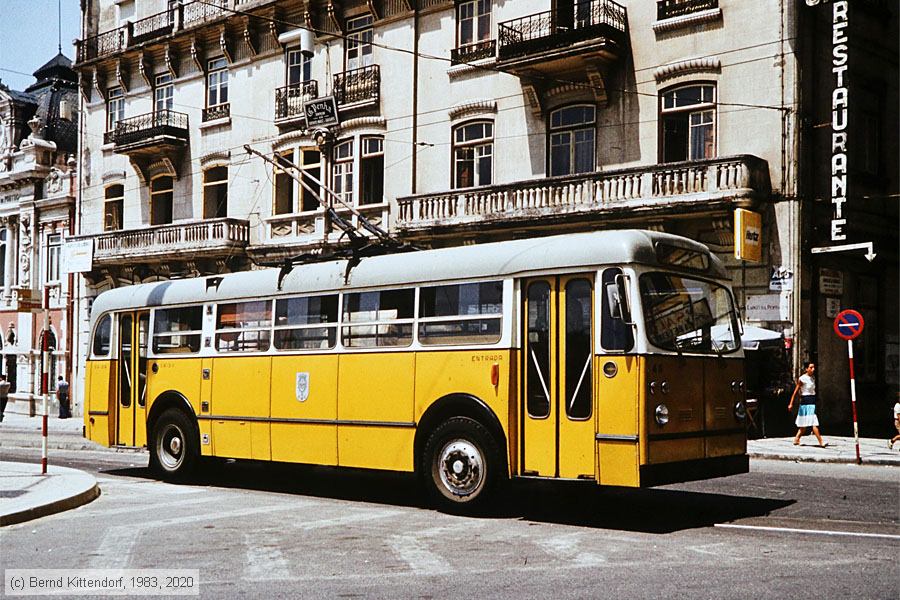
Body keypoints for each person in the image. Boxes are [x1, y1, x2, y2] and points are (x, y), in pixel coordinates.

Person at [788, 362, 826, 447]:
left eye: (813, 367)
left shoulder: (812, 378)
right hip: (806, 401)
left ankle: (796, 439)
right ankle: (820, 442)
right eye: (811, 367)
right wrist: (791, 403)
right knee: (813, 422)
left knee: (804, 424)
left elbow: (813, 391)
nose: (813, 369)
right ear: (806, 369)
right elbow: (795, 392)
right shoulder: (802, 379)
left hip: (812, 400)